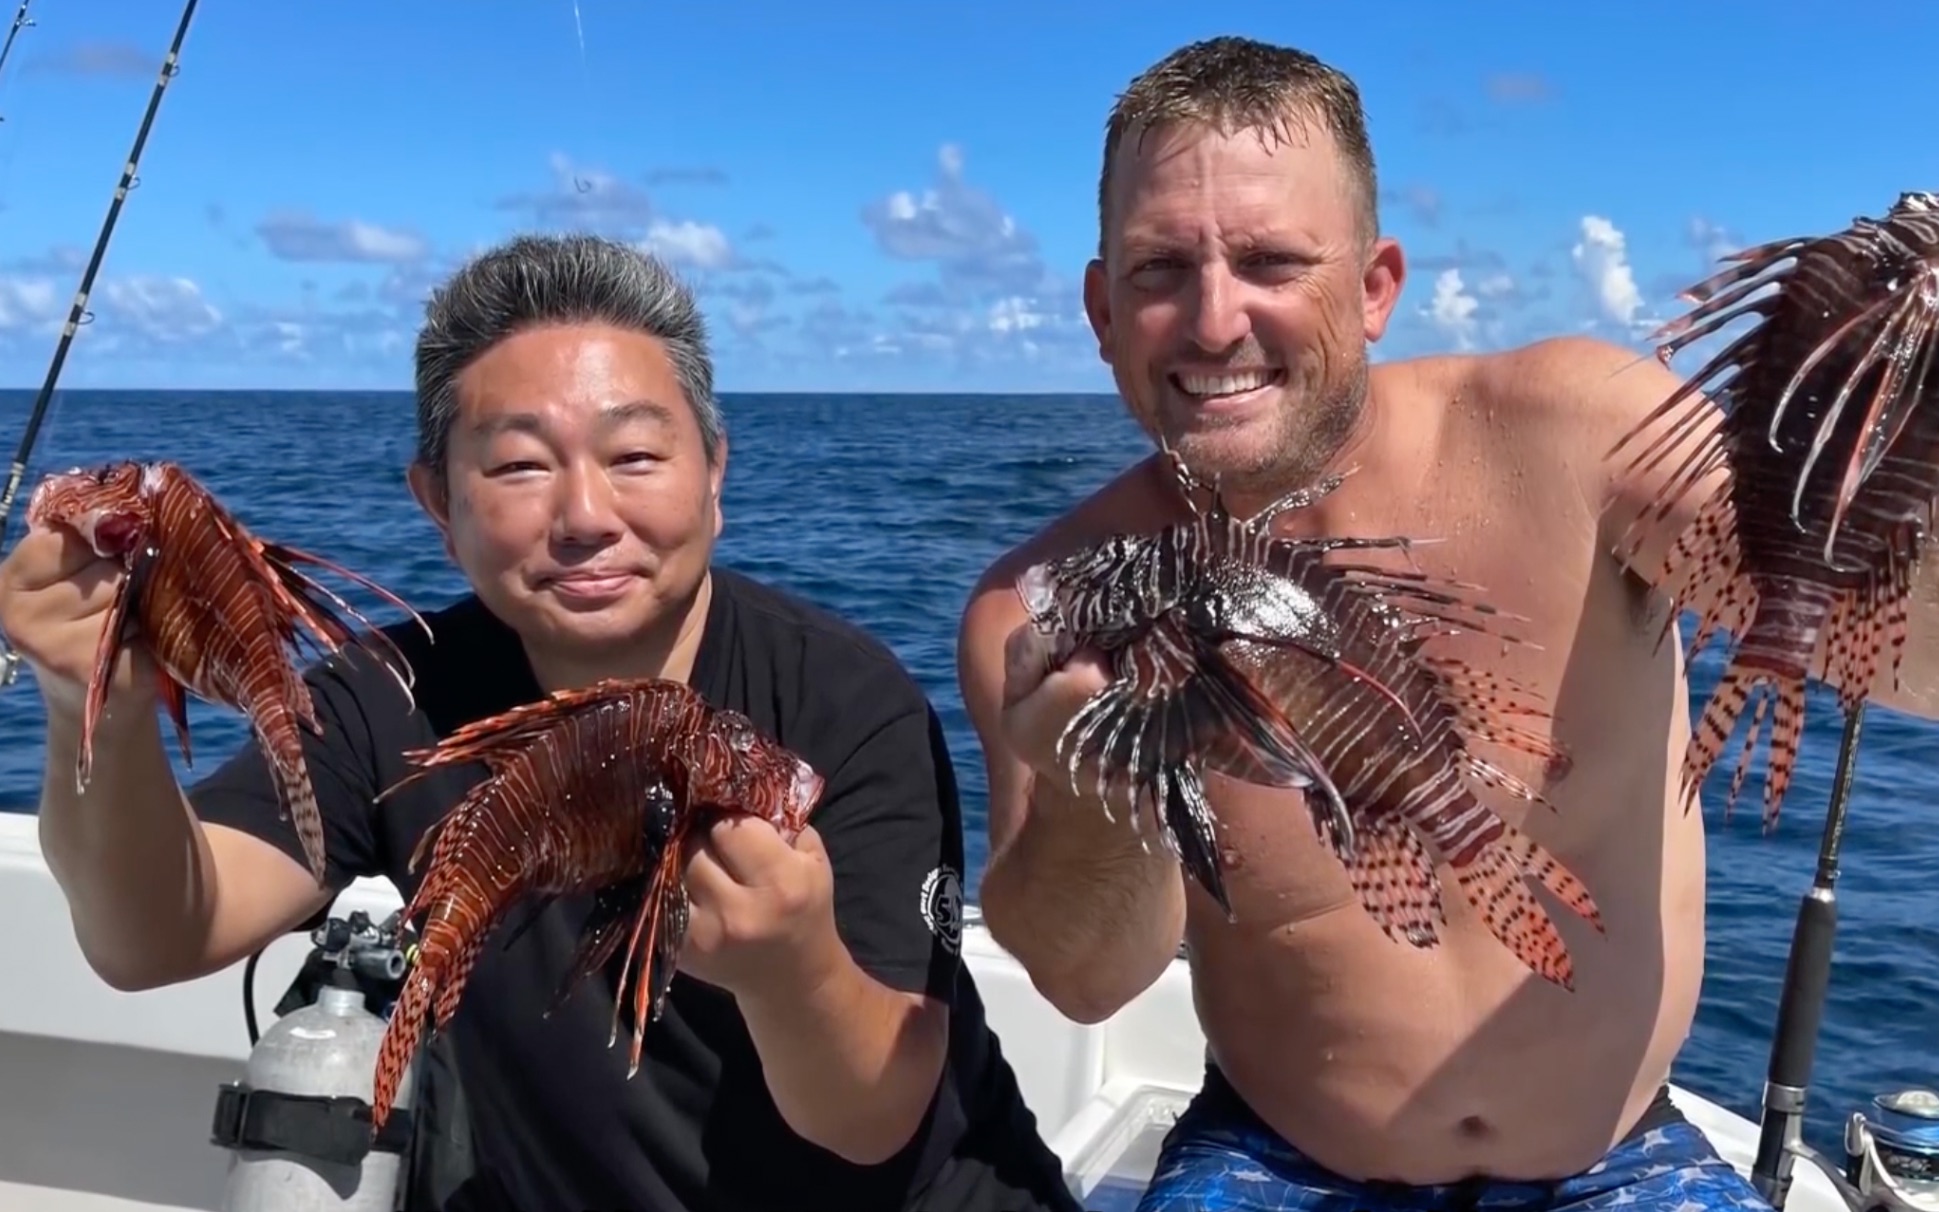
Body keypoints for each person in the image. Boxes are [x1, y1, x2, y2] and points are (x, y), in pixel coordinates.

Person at [956, 34, 1939, 1212]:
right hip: (1273, 1158)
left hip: (1621, 1158)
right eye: (1163, 270)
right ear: (1102, 308)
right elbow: (1081, 982)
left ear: (1376, 289)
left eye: (1271, 260)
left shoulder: (1579, 437)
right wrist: (1095, 783)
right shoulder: (1047, 603)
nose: (1215, 321)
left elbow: (1897, 652)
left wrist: (1903, 443)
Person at [2, 232, 1081, 1212]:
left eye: (636, 456)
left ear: (715, 473)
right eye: (519, 465)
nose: (584, 516)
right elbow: (153, 935)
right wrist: (92, 704)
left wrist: (792, 968)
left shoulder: (845, 699)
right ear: (438, 500)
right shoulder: (394, 693)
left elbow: (872, 1118)